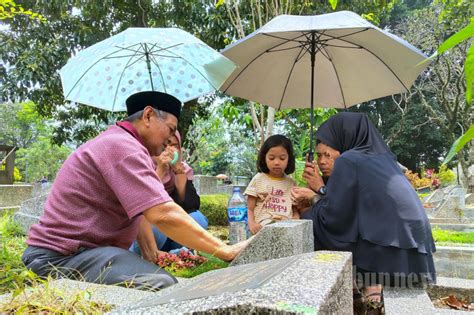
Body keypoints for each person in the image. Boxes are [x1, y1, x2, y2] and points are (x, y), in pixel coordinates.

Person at [22, 91, 247, 291]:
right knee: (160, 284)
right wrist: (224, 250)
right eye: (170, 129)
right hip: (58, 260)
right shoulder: (122, 146)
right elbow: (162, 213)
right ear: (148, 115)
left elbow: (141, 211)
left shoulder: (121, 142)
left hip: (84, 253)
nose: (171, 140)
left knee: (157, 275)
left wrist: (151, 254)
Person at [291, 112, 436, 308]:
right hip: (415, 256)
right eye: (319, 155)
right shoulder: (384, 159)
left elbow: (334, 217)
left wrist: (312, 198)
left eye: (328, 152)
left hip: (390, 257)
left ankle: (313, 292)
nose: (323, 160)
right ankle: (359, 289)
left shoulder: (349, 160)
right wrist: (320, 192)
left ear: (343, 137)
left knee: (311, 219)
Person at [130, 131, 208, 255]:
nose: (170, 149)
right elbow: (144, 199)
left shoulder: (184, 170)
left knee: (198, 218)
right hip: (151, 235)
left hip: (174, 234)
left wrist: (178, 171)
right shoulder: (142, 165)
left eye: (174, 145)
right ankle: (154, 255)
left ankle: (177, 253)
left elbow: (190, 205)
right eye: (166, 144)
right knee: (157, 222)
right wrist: (160, 170)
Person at [244, 135, 299, 235]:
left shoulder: (291, 183)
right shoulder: (258, 179)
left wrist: (296, 216)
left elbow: (294, 208)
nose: (277, 162)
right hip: (263, 226)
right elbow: (249, 208)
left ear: (289, 159)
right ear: (264, 158)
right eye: (271, 158)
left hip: (286, 226)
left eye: (282, 158)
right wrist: (251, 224)